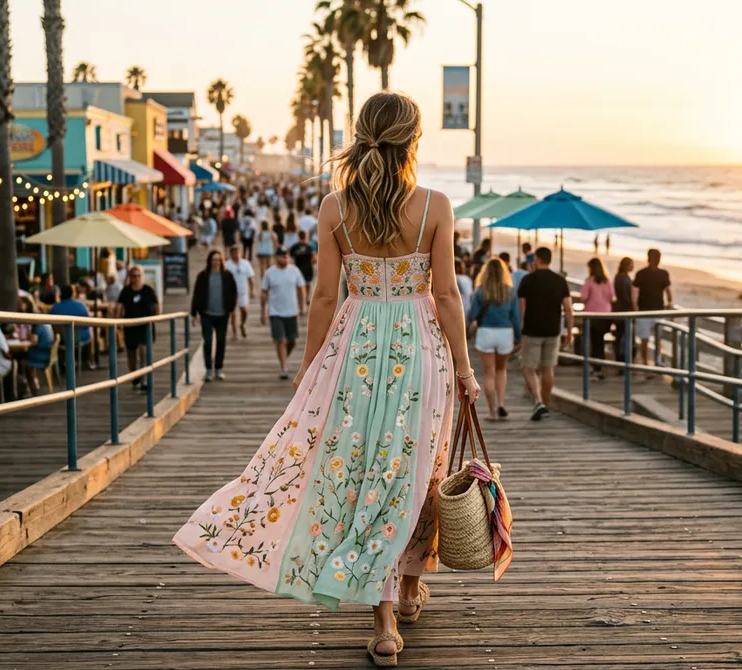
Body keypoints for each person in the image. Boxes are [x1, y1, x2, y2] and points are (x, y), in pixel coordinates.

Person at [175, 91, 480, 668]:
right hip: (420, 350)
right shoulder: (436, 205)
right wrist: (465, 368)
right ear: (413, 141)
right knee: (417, 469)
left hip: (356, 350)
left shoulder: (335, 208)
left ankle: (389, 615)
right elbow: (444, 295)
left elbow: (323, 296)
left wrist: (311, 366)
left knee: (365, 473)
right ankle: (406, 590)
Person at [517, 246, 572, 421]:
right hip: (553, 329)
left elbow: (522, 310)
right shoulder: (560, 281)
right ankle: (545, 404)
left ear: (537, 259)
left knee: (528, 368)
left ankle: (538, 401)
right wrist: (569, 331)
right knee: (548, 368)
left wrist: (520, 329)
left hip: (532, 330)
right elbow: (568, 309)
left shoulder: (527, 280)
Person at [468, 257, 521, 420]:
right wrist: (518, 338)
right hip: (505, 333)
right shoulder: (510, 291)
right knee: (501, 370)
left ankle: (492, 412)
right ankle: (501, 404)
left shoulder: (480, 291)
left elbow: (472, 315)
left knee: (488, 373)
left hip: (486, 333)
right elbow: (516, 317)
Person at [261, 247, 306, 380]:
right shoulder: (269, 273)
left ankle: (284, 357)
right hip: (275, 312)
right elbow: (264, 292)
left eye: (286, 255)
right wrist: (263, 311)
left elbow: (301, 288)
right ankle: (284, 367)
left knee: (291, 340)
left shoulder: (294, 271)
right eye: (281, 256)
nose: (284, 258)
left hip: (292, 311)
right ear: (276, 257)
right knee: (280, 340)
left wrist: (302, 306)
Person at [192, 250, 238, 381]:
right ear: (209, 261)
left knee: (221, 341)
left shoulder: (227, 275)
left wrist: (231, 308)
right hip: (206, 313)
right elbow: (197, 294)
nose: (216, 262)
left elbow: (233, 292)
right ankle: (208, 370)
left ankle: (218, 368)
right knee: (208, 341)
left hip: (222, 314)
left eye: (218, 260)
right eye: (213, 259)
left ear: (221, 261)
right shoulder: (203, 276)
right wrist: (194, 313)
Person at [114, 264, 160, 392]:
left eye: (139, 276)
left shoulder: (148, 290)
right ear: (130, 277)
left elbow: (156, 305)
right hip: (130, 327)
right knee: (132, 357)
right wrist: (117, 321)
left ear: (142, 276)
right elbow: (119, 306)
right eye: (133, 276)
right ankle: (135, 379)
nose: (136, 278)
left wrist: (155, 318)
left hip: (145, 327)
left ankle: (144, 381)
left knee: (144, 353)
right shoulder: (126, 291)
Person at [632, 248, 672, 369]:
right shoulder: (663, 274)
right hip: (654, 310)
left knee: (647, 339)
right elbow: (668, 292)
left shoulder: (641, 273)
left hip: (646, 311)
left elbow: (634, 294)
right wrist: (670, 303)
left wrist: (635, 309)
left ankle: (648, 362)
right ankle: (655, 361)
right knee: (655, 338)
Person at [581, 258, 615, 381]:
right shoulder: (608, 281)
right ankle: (598, 366)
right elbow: (612, 297)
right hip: (605, 316)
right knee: (599, 342)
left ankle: (595, 367)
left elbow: (583, 297)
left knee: (593, 342)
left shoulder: (589, 281)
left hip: (592, 316)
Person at [49, 284, 92, 372]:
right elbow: (87, 324)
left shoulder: (55, 308)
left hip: (61, 339)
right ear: (72, 294)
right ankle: (86, 361)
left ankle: (62, 363)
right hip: (77, 338)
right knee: (90, 333)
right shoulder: (80, 306)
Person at [225, 245, 255, 340]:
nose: (236, 255)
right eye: (234, 253)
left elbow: (250, 278)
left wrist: (252, 290)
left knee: (244, 310)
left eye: (238, 253)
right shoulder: (227, 265)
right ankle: (235, 334)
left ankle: (242, 324)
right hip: (231, 293)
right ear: (230, 254)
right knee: (233, 314)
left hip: (243, 291)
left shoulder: (245, 264)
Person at [612, 256, 635, 368]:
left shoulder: (618, 277)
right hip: (625, 310)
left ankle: (620, 359)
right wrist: (632, 306)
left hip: (618, 310)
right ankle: (624, 360)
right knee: (625, 336)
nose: (633, 266)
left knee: (620, 336)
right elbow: (626, 296)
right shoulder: (624, 279)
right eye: (631, 264)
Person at [290, 229, 316, 304]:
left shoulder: (295, 247)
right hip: (306, 269)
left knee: (302, 285)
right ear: (306, 237)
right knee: (306, 284)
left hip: (300, 269)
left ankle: (303, 298)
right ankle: (306, 298)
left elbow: (290, 257)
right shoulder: (309, 247)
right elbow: (314, 259)